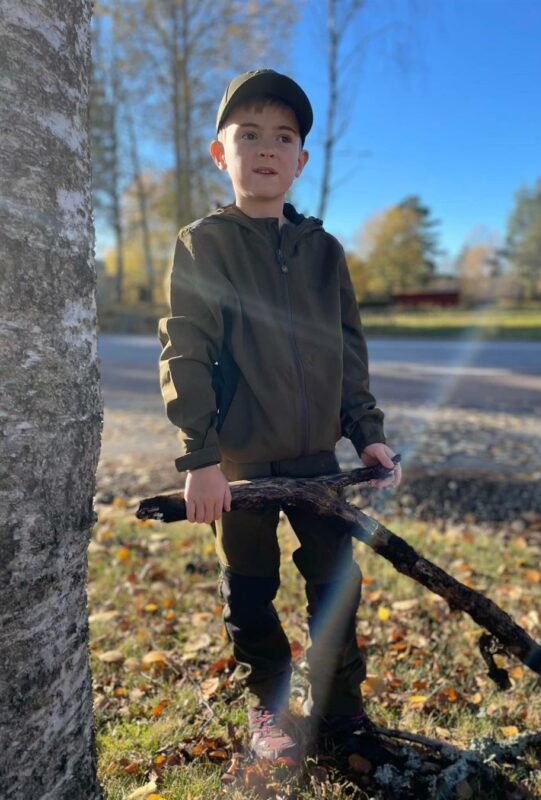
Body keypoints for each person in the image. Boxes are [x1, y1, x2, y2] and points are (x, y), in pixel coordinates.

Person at [158, 68, 401, 765]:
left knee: (336, 586)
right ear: (220, 153)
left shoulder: (325, 252)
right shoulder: (204, 244)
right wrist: (202, 458)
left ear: (300, 160)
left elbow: (348, 351)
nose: (267, 148)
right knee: (249, 589)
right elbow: (185, 351)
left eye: (283, 137)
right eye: (249, 135)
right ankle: (268, 703)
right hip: (239, 464)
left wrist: (368, 434)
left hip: (318, 464)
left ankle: (341, 709)